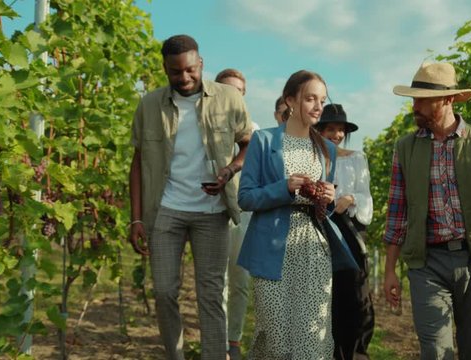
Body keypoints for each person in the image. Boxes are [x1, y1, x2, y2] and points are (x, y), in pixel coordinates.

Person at [383, 62, 471, 360]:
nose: (414, 106)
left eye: (422, 99)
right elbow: (397, 213)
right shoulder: (404, 149)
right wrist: (390, 271)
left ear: (447, 100)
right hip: (427, 263)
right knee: (435, 352)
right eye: (413, 98)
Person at [129, 34, 252, 360]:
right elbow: (138, 163)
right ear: (165, 69)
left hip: (212, 213)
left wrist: (230, 169)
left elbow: (248, 144)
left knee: (210, 295)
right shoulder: (150, 104)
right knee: (164, 291)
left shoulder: (229, 98)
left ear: (200, 65)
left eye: (189, 70)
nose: (183, 78)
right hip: (166, 210)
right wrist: (137, 217)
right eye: (174, 72)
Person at [237, 70, 357, 359]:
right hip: (272, 249)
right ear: (290, 100)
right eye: (310, 99)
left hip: (313, 249)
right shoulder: (264, 141)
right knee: (275, 335)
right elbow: (245, 197)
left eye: (322, 100)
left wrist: (328, 199)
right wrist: (284, 188)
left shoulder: (327, 148)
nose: (318, 106)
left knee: (312, 336)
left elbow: (323, 209)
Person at [315, 104, 374, 360]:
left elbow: (366, 195)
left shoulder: (357, 158)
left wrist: (349, 198)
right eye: (331, 129)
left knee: (354, 294)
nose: (337, 135)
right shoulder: (311, 158)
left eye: (340, 130)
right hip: (319, 229)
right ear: (319, 130)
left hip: (349, 229)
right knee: (326, 297)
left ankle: (354, 353)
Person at [215, 68, 255, 360]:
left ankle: (234, 341)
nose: (232, 96)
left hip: (243, 215)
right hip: (211, 212)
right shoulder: (205, 128)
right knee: (216, 282)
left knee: (239, 282)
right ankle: (216, 342)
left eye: (237, 91)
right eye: (226, 89)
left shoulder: (255, 132)